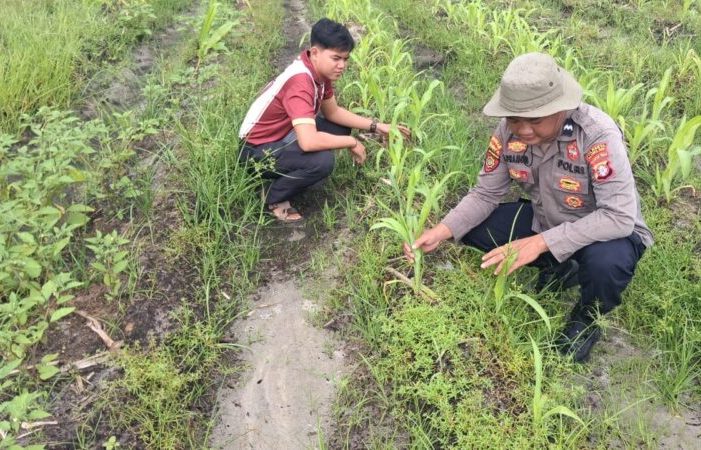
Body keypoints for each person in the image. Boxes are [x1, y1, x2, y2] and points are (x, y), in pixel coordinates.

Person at [404, 53, 654, 363]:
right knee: (474, 230)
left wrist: (538, 243)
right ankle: (560, 268)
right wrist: (440, 232)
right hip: (547, 218)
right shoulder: (507, 132)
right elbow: (485, 193)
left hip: (604, 233)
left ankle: (587, 318)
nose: (522, 129)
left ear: (560, 108)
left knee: (607, 264)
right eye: (514, 118)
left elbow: (618, 217)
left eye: (534, 120)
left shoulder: (597, 135)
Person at [238, 18, 409, 222]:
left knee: (339, 128)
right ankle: (272, 195)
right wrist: (352, 142)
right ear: (315, 52)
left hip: (281, 136)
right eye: (336, 58)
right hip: (255, 152)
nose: (342, 65)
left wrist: (377, 126)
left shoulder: (319, 74)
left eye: (345, 59)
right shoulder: (301, 82)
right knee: (322, 161)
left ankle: (296, 172)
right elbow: (308, 142)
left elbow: (333, 113)